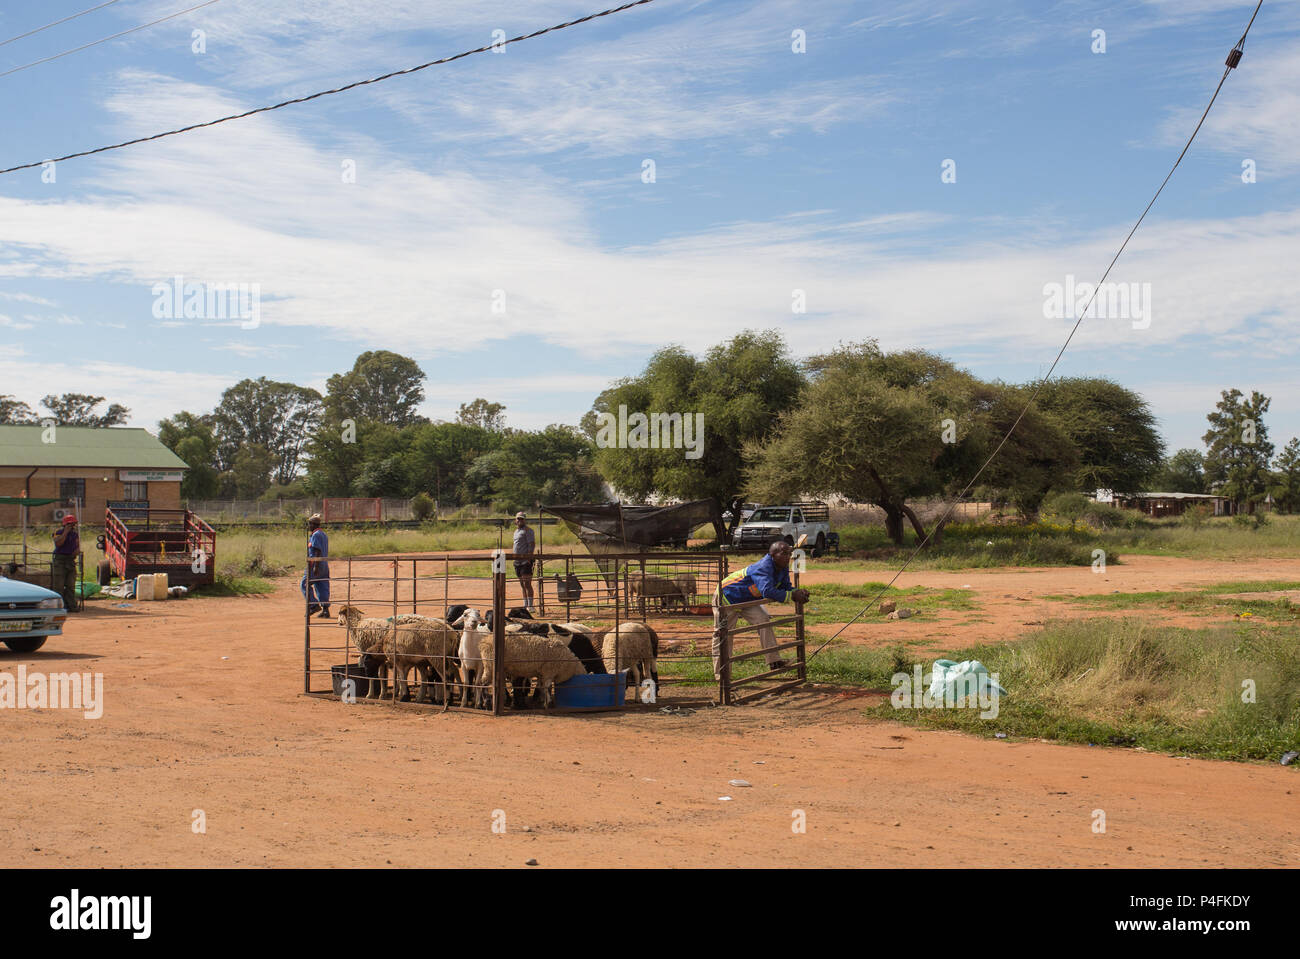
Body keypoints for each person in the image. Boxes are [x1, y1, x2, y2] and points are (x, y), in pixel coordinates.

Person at [712, 539, 811, 679]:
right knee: (723, 635)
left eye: (789, 553)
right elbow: (768, 591)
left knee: (764, 620)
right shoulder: (763, 567)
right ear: (772, 555)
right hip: (726, 597)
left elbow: (785, 587)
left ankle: (774, 661)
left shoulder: (781, 567)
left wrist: (797, 592)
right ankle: (722, 677)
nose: (787, 557)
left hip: (747, 600)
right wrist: (792, 595)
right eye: (784, 553)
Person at [301, 513, 330, 619]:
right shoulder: (323, 534)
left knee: (304, 584)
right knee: (322, 586)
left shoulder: (316, 535)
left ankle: (313, 605)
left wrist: (315, 566)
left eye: (309, 524)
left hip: (315, 563)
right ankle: (325, 610)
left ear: (313, 524)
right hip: (324, 564)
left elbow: (317, 550)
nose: (308, 526)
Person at [51, 514, 80, 611]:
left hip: (70, 561)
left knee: (70, 585)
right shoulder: (58, 532)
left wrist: (76, 551)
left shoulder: (75, 534)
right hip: (60, 561)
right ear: (65, 524)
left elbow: (77, 545)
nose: (72, 526)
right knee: (58, 585)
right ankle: (59, 606)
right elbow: (58, 543)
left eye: (73, 524)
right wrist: (65, 533)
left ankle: (71, 606)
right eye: (70, 524)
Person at [512, 511, 537, 610]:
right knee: (522, 584)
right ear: (516, 520)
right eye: (518, 518)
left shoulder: (528, 530)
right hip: (517, 561)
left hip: (525, 561)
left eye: (522, 519)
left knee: (527, 583)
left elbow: (532, 544)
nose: (519, 520)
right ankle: (525, 604)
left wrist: (528, 558)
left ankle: (530, 606)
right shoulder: (516, 532)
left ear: (524, 520)